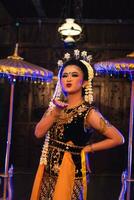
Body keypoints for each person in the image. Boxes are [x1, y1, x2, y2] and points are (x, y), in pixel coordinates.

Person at [30, 50, 124, 200]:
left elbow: (118, 138)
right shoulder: (55, 108)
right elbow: (38, 133)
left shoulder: (89, 112)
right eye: (65, 75)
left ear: (85, 82)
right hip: (47, 172)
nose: (68, 79)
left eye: (74, 75)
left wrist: (87, 149)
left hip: (71, 172)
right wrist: (55, 112)